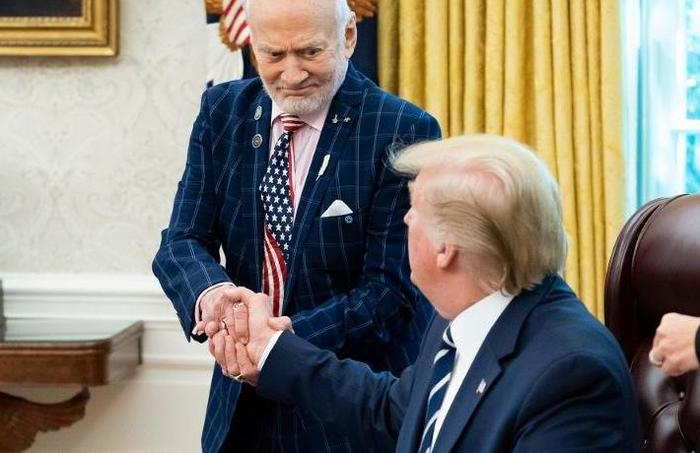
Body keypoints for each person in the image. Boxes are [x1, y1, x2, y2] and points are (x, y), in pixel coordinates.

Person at [152, 0, 440, 453]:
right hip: (239, 410)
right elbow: (181, 243)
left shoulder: (403, 130)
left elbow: (389, 292)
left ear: (348, 35)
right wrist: (218, 300)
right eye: (273, 54)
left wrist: (268, 343)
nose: (291, 74)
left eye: (310, 51)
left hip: (348, 410)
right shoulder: (222, 113)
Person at [216, 135, 643, 452]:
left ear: (445, 248)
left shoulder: (570, 374)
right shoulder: (464, 314)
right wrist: (270, 349)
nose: (405, 219)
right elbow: (392, 412)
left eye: (415, 207)